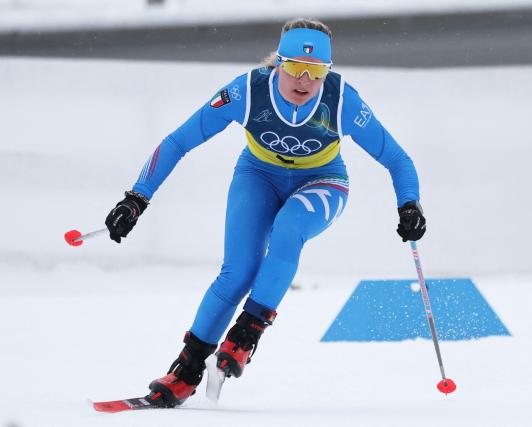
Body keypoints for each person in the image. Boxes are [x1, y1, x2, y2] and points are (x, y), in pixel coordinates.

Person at [105, 18, 426, 407]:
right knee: (237, 271)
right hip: (258, 175)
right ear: (279, 63)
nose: (305, 80)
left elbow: (396, 158)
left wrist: (409, 203)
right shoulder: (246, 91)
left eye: (317, 71)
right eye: (294, 68)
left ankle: (246, 334)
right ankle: (185, 371)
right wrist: (136, 198)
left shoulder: (342, 100)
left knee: (289, 229)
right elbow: (177, 141)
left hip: (322, 182)